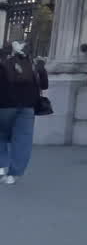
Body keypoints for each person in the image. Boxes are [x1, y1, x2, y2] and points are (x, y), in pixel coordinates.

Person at [0, 41, 47, 185]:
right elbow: (44, 84)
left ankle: (1, 167)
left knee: (1, 135)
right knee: (22, 140)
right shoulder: (33, 63)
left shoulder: (2, 61)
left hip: (5, 106)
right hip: (28, 107)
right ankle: (13, 175)